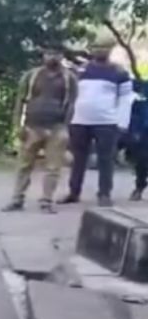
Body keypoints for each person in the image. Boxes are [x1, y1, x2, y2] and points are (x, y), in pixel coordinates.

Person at [3, 43, 78, 213]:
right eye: (49, 53)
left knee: (53, 167)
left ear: (62, 56)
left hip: (56, 128)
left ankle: (46, 201)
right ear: (43, 55)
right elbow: (20, 101)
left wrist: (65, 127)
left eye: (56, 53)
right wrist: (17, 126)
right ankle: (17, 199)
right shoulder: (31, 76)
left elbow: (72, 104)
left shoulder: (69, 78)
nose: (52, 57)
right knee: (24, 165)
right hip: (32, 127)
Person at [62, 34, 133, 208]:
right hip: (79, 120)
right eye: (96, 48)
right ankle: (74, 192)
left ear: (110, 50)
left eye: (104, 48)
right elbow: (70, 95)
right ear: (91, 50)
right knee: (78, 158)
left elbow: (125, 100)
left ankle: (104, 193)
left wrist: (122, 123)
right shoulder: (80, 71)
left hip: (107, 122)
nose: (99, 51)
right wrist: (68, 118)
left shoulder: (120, 73)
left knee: (106, 159)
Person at [130, 76, 148, 201]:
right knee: (142, 160)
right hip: (144, 129)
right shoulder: (143, 86)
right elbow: (135, 109)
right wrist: (135, 129)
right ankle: (139, 186)